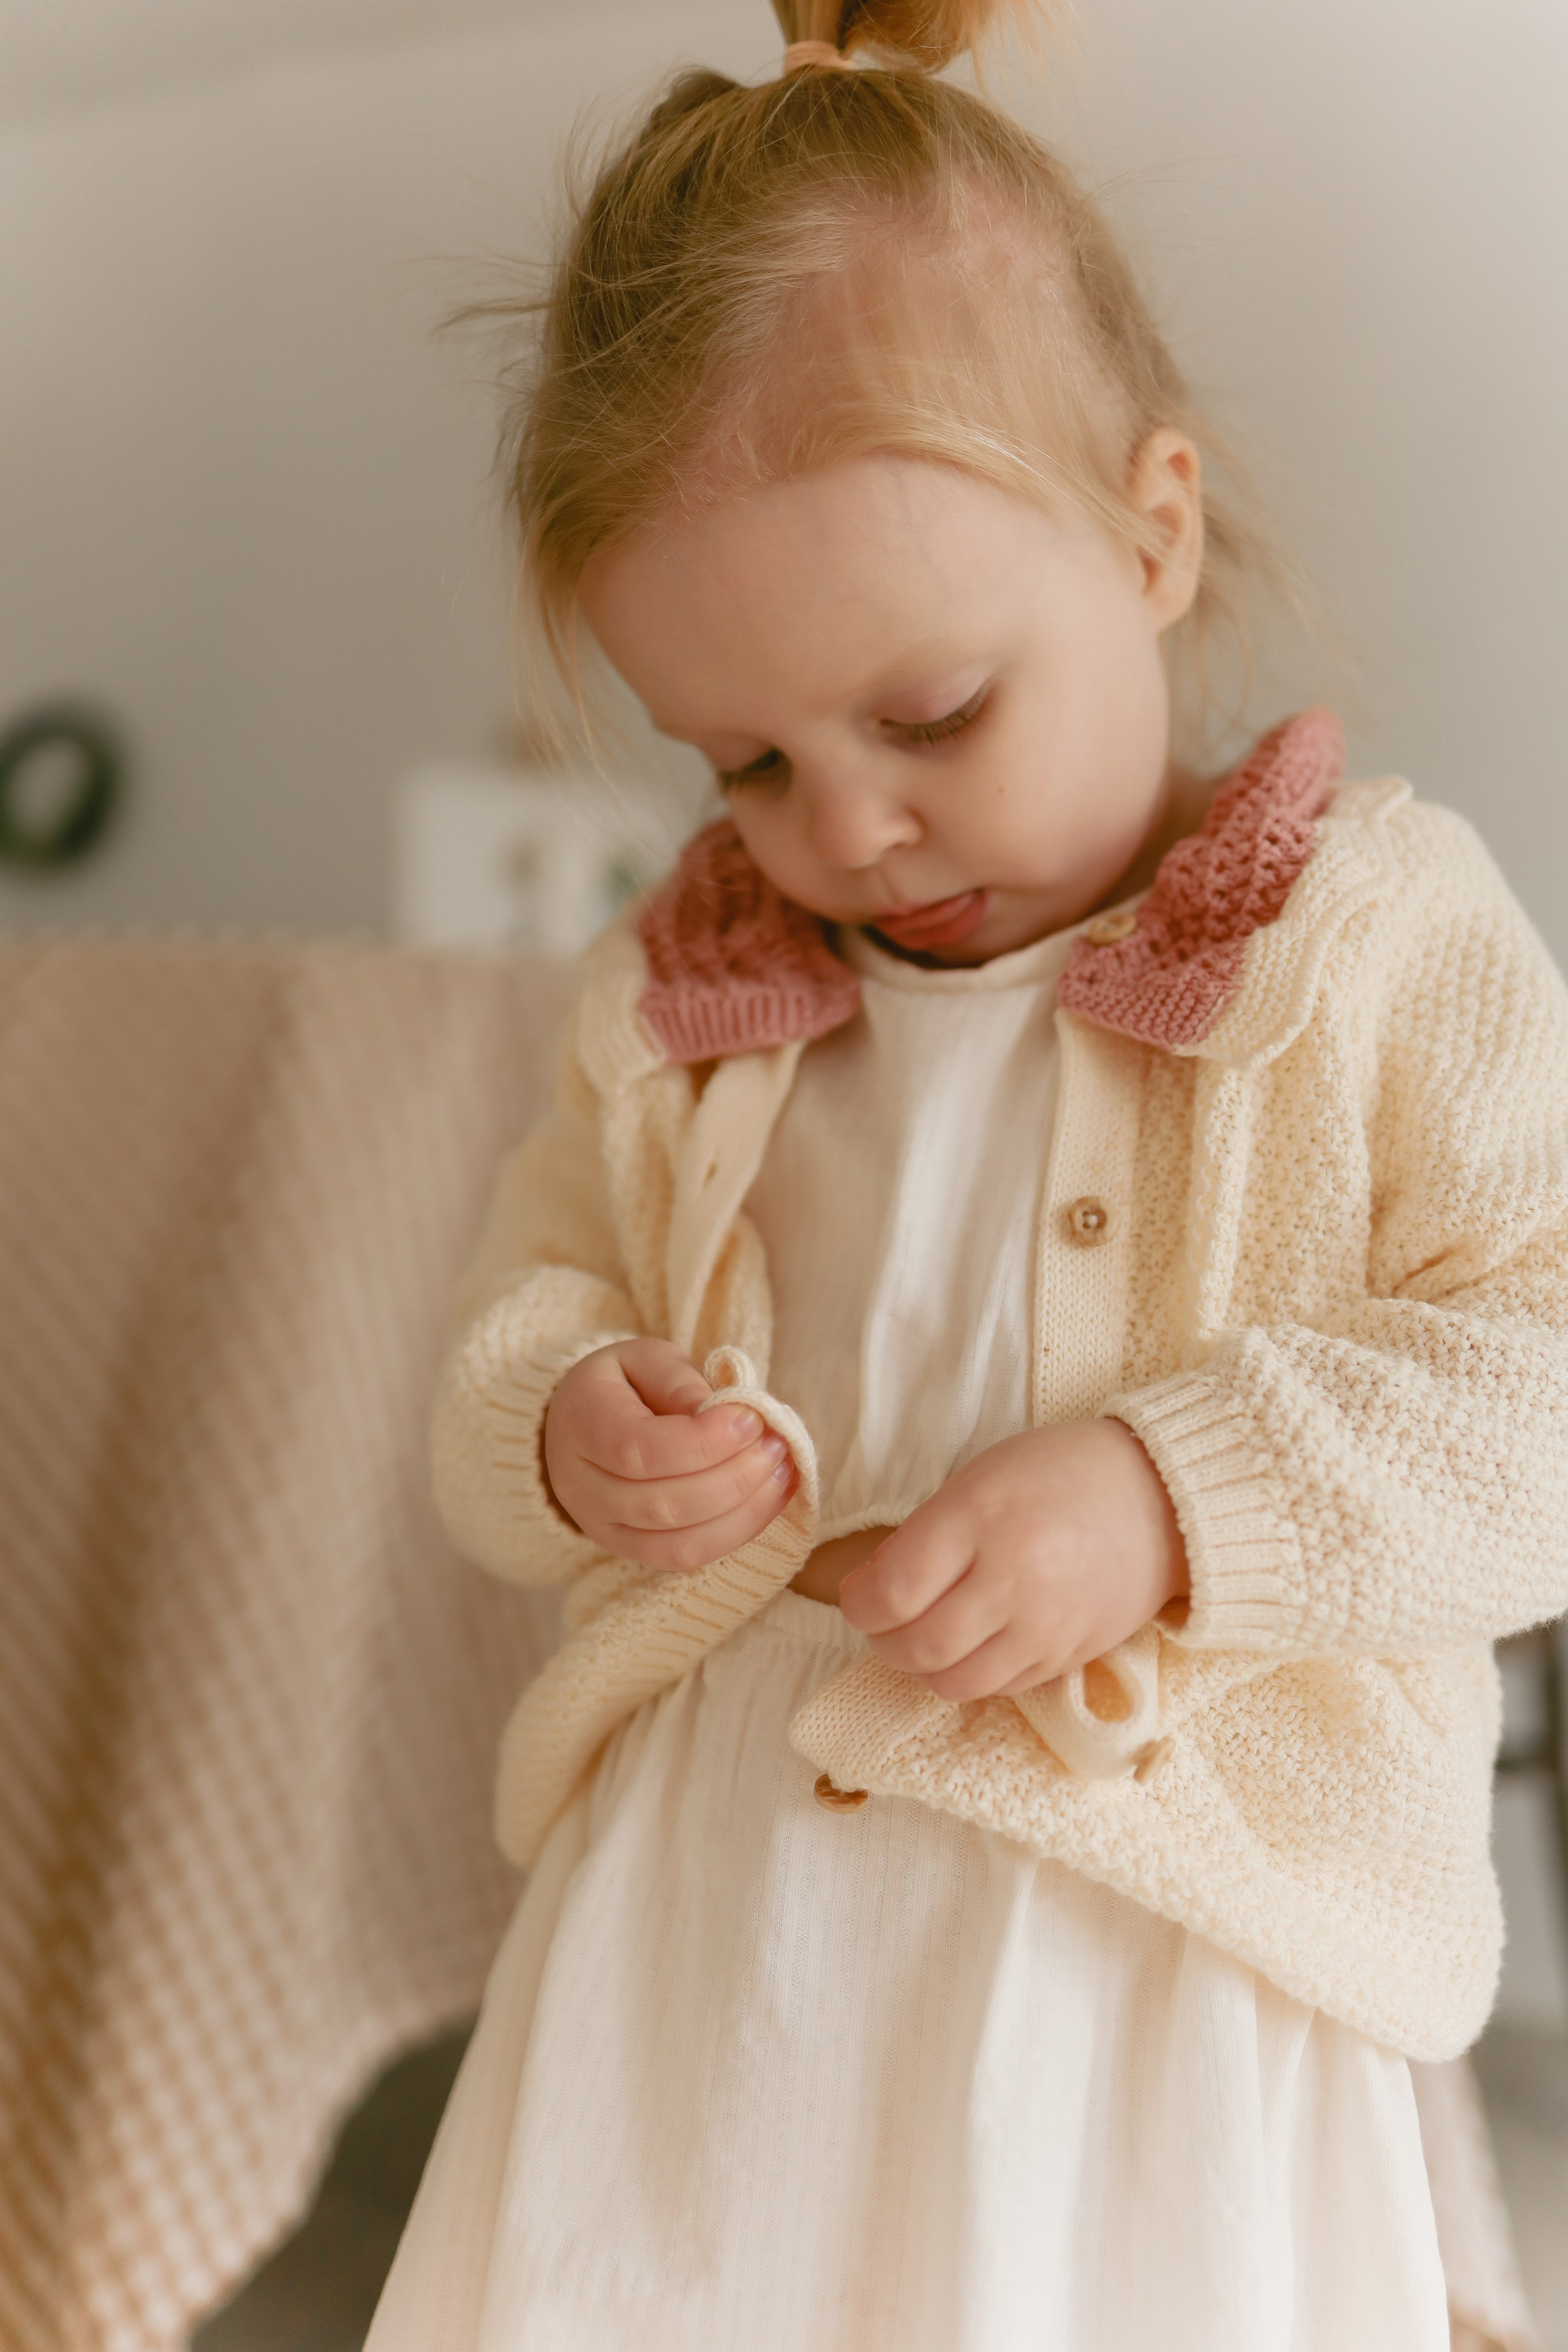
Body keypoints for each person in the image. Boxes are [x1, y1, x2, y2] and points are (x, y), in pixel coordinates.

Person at [367, 6, 1568, 2345]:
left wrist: (1170, 1496)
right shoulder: (679, 1001)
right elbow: (514, 1323)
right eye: (746, 760)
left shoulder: (1372, 942)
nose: (849, 830)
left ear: (1153, 529)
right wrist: (566, 1420)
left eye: (930, 716)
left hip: (1151, 1966)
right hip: (716, 1954)